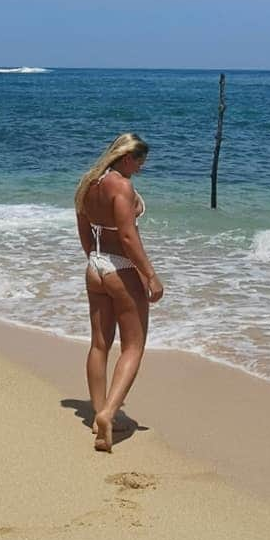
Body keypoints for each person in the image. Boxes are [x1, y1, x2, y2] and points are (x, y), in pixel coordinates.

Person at [75, 132, 163, 453]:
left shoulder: (87, 184)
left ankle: (98, 411)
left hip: (95, 266)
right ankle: (109, 414)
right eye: (140, 161)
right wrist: (150, 276)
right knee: (133, 347)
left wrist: (96, 263)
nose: (141, 168)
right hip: (121, 268)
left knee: (99, 344)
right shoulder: (121, 187)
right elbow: (127, 237)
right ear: (127, 157)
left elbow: (85, 233)